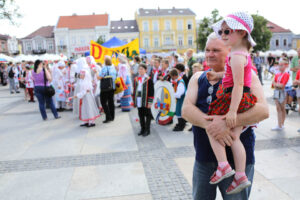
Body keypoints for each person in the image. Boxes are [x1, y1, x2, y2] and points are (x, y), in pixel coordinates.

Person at [182, 32, 268, 200]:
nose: (209, 54)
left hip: (237, 163)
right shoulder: (198, 77)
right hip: (204, 158)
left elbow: (263, 110)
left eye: (215, 50)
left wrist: (226, 124)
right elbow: (186, 110)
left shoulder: (246, 74)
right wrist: (212, 126)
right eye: (207, 50)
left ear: (230, 50)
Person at [132, 63, 154, 137]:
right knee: (140, 115)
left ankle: (147, 130)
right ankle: (142, 128)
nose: (140, 70)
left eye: (142, 69)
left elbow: (151, 92)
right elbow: (134, 90)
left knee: (147, 115)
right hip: (138, 100)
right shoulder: (136, 79)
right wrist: (134, 100)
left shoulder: (149, 79)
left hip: (145, 100)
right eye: (139, 69)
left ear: (145, 70)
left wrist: (150, 102)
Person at [272, 58, 290, 131]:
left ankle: (281, 124)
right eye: (279, 65)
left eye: (281, 65)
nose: (279, 67)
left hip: (282, 92)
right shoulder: (277, 74)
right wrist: (277, 84)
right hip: (276, 91)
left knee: (282, 108)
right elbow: (273, 83)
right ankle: (279, 124)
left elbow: (282, 86)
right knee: (278, 108)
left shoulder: (286, 74)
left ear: (286, 66)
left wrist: (276, 84)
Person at [98, 56, 117, 123]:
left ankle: (108, 116)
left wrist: (97, 74)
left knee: (103, 102)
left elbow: (100, 77)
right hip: (112, 86)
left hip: (105, 87)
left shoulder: (104, 68)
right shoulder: (113, 67)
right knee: (111, 102)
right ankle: (112, 116)